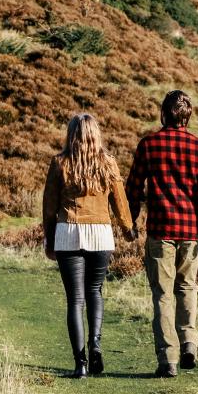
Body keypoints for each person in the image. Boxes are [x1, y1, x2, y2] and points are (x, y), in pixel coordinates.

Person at [126, 90, 198, 378]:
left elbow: (133, 188)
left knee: (162, 294)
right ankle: (189, 343)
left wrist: (130, 222)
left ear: (164, 113)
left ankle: (168, 359)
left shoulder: (148, 145)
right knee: (187, 287)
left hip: (160, 230)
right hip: (190, 231)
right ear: (188, 116)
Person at [42, 113, 135, 379]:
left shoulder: (59, 163)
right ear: (96, 135)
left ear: (70, 135)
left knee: (75, 300)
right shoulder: (108, 163)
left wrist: (48, 238)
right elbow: (120, 200)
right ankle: (95, 343)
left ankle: (80, 364)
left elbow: (49, 207)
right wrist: (127, 228)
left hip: (68, 232)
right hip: (101, 233)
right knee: (95, 291)